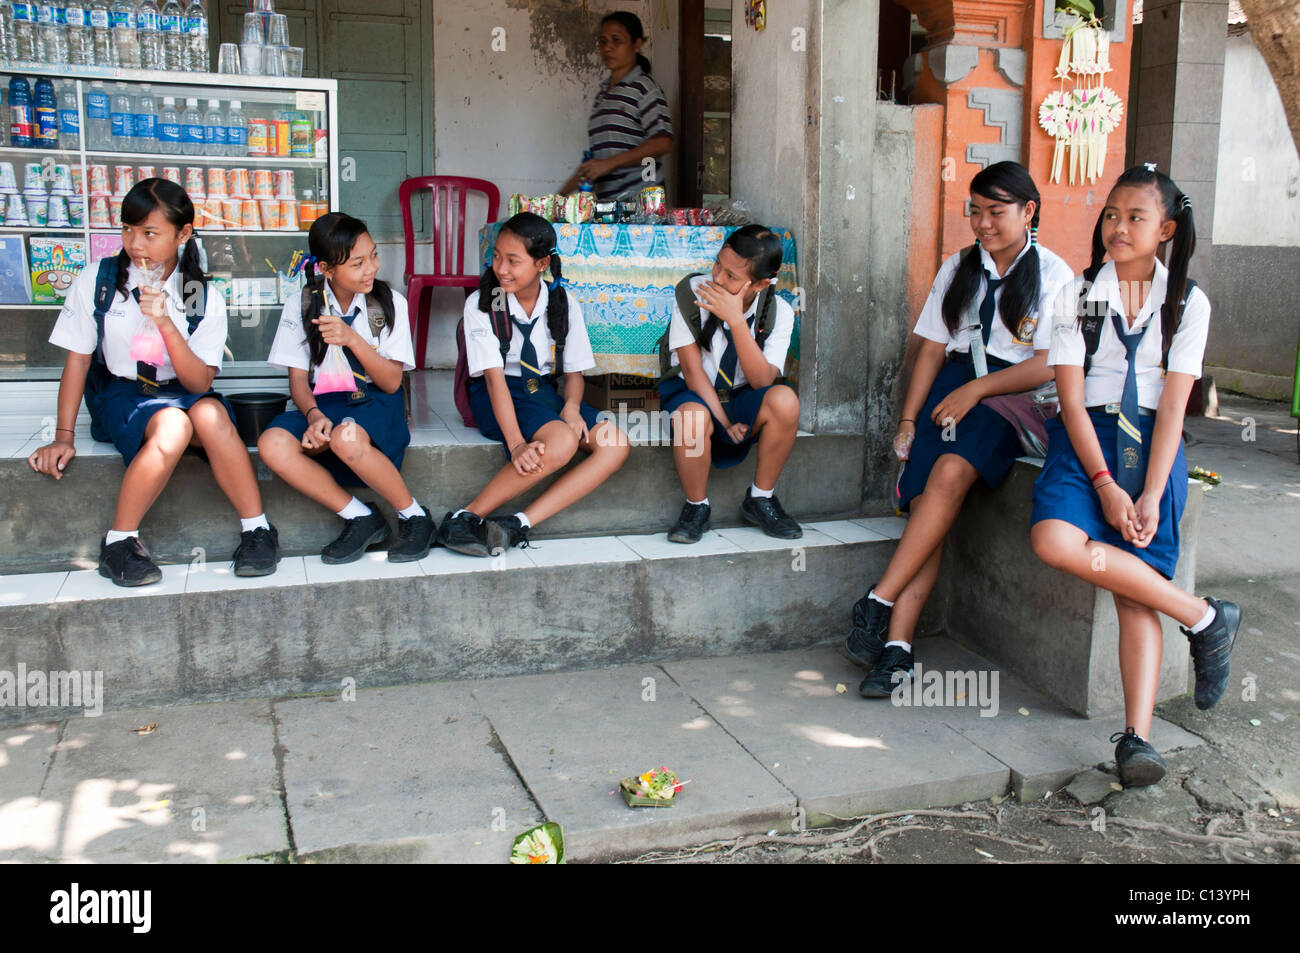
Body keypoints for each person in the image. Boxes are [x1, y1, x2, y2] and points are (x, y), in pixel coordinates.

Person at [1030, 165, 1241, 788]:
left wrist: (1149, 489)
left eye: (1136, 217)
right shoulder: (1076, 293)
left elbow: (1174, 402)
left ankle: (1138, 740)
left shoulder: (1188, 301)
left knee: (1133, 588)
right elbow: (1069, 398)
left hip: (1153, 443)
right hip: (1087, 439)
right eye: (1111, 215)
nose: (1118, 227)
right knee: (1053, 541)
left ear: (1167, 228)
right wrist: (1105, 484)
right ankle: (1203, 617)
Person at [845, 161, 1075, 696]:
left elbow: (1047, 365)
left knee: (947, 476)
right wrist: (907, 418)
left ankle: (878, 601)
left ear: (1028, 212)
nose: (983, 223)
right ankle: (896, 647)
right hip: (953, 388)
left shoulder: (1056, 275)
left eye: (996, 212)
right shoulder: (958, 268)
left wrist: (977, 390)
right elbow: (929, 348)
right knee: (928, 505)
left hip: (1007, 398)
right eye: (975, 211)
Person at [29, 177, 279, 585]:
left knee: (213, 416)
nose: (135, 244)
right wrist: (63, 436)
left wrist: (164, 321)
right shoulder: (100, 280)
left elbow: (198, 382)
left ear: (182, 233)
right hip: (124, 393)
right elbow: (76, 362)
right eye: (127, 230)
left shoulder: (201, 294)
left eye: (149, 233)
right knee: (174, 423)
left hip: (183, 390)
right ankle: (119, 542)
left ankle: (258, 530)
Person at [438, 213, 630, 556]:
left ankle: (517, 524)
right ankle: (464, 517)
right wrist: (516, 445)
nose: (501, 268)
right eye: (497, 256)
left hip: (542, 391)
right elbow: (494, 380)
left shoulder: (562, 303)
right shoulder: (483, 304)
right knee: (561, 442)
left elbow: (573, 374)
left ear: (541, 263)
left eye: (513, 260)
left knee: (615, 443)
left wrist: (571, 409)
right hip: (498, 392)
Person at [258, 212, 432, 564]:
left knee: (345, 437)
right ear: (327, 269)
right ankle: (360, 517)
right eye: (357, 263)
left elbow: (391, 381)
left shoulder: (388, 304)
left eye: (373, 255)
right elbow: (297, 380)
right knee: (271, 444)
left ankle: (414, 515)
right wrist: (313, 415)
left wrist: (353, 339)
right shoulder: (303, 304)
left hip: (375, 404)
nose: (370, 268)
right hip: (326, 404)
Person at [657, 224, 802, 543]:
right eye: (717, 265)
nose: (718, 279)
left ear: (762, 283)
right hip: (694, 394)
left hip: (742, 396)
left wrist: (737, 321)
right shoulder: (693, 291)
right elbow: (693, 373)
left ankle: (761, 497)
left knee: (785, 400)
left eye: (732, 276)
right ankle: (697, 506)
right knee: (692, 418)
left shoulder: (779, 313)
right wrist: (724, 422)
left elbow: (763, 380)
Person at [558, 11, 672, 202]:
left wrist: (608, 164)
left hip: (640, 202)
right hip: (608, 203)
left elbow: (662, 142)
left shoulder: (644, 87)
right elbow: (595, 163)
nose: (608, 47)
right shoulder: (603, 94)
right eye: (603, 41)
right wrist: (558, 198)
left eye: (616, 40)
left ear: (637, 44)